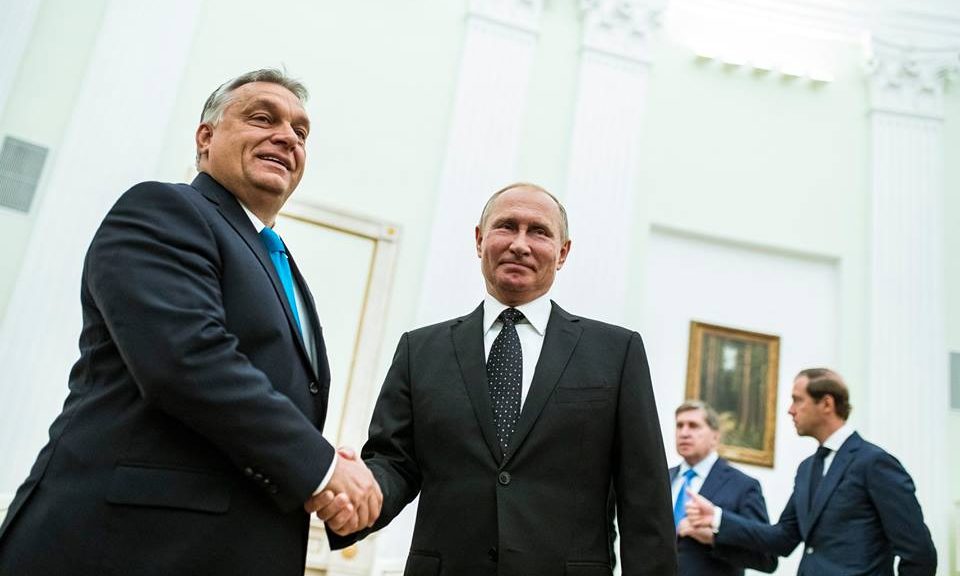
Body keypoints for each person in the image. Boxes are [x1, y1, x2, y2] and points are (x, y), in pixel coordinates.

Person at [0, 69, 380, 576]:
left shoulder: (279, 262)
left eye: (301, 131)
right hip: (125, 547)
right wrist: (323, 468)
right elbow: (187, 357)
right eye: (263, 118)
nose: (287, 137)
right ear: (205, 137)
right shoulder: (165, 208)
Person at [315, 183, 677, 575]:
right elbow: (394, 463)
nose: (520, 244)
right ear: (479, 239)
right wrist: (358, 498)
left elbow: (645, 497)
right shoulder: (420, 350)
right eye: (506, 226)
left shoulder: (616, 352)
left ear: (563, 253)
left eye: (539, 232)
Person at [685, 368, 937, 575]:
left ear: (826, 403)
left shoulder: (874, 463)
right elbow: (783, 538)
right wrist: (718, 518)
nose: (790, 410)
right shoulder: (807, 469)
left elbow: (918, 552)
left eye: (798, 400)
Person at [670, 400, 776, 575]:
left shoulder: (744, 486)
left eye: (693, 426)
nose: (684, 433)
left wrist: (714, 539)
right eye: (679, 426)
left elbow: (766, 558)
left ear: (715, 437)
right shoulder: (663, 478)